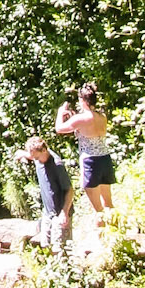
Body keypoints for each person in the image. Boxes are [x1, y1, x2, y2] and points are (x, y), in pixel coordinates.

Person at [55, 83, 115, 217]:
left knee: (98, 210)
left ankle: (102, 236)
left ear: (82, 100)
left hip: (90, 161)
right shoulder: (102, 117)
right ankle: (117, 233)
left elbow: (59, 128)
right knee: (109, 204)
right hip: (105, 159)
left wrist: (60, 113)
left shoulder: (81, 118)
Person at [18, 134, 73, 253]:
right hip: (47, 213)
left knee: (60, 250)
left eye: (37, 157)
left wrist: (64, 212)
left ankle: (66, 270)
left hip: (60, 213)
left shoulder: (57, 165)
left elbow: (70, 190)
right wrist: (22, 154)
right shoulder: (38, 157)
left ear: (44, 150)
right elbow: (31, 156)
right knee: (45, 245)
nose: (36, 160)